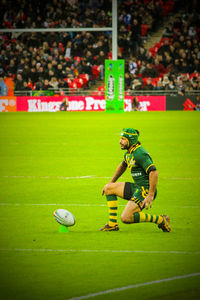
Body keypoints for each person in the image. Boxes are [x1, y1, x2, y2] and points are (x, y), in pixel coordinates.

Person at [100, 128, 171, 232]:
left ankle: (161, 220)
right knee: (108, 188)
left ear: (131, 140)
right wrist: (111, 182)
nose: (120, 141)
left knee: (126, 218)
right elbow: (122, 166)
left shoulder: (140, 153)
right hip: (137, 187)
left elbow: (154, 172)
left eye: (123, 139)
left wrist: (150, 194)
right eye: (120, 138)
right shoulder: (129, 153)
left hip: (145, 190)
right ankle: (112, 225)